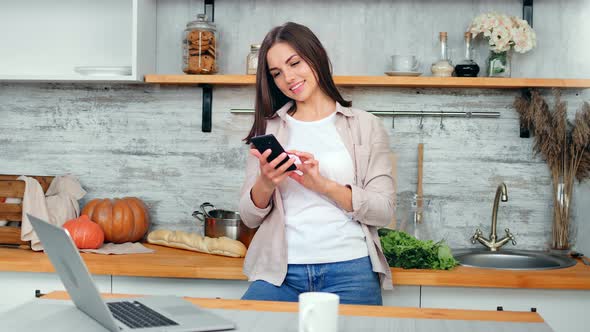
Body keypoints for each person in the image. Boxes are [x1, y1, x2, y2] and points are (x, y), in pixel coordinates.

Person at [238, 22, 395, 306]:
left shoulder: (365, 126)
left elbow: (383, 212)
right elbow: (249, 218)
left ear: (315, 56)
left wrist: (322, 185)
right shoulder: (269, 130)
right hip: (280, 273)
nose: (288, 77)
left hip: (351, 269)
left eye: (294, 63)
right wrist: (265, 182)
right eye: (277, 73)